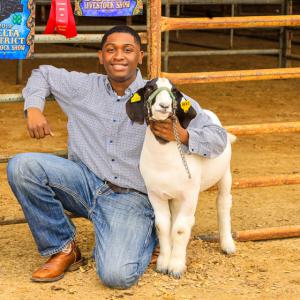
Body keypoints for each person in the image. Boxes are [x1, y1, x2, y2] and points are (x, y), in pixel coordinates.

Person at [6, 25, 228, 289]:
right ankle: (63, 248)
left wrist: (182, 134)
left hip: (131, 196)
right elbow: (42, 74)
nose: (118, 56)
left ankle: (150, 238)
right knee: (22, 166)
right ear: (101, 56)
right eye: (111, 50)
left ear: (141, 57)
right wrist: (33, 108)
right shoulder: (84, 86)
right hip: (84, 181)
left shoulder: (159, 93)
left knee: (116, 275)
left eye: (128, 50)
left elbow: (218, 136)